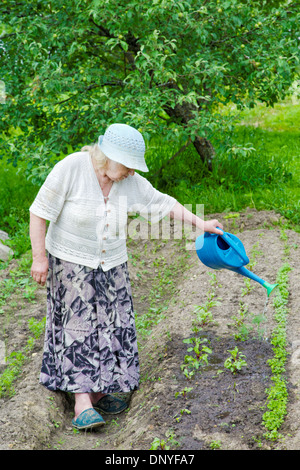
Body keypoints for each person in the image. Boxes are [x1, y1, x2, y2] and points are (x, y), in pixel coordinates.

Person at [29, 123, 223, 430]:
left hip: (112, 262)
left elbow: (163, 203)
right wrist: (39, 257)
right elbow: (39, 212)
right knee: (78, 328)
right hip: (70, 260)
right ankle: (81, 404)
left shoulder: (128, 182)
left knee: (112, 324)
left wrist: (202, 224)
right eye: (129, 166)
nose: (133, 172)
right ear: (108, 157)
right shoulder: (71, 168)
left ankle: (102, 388)